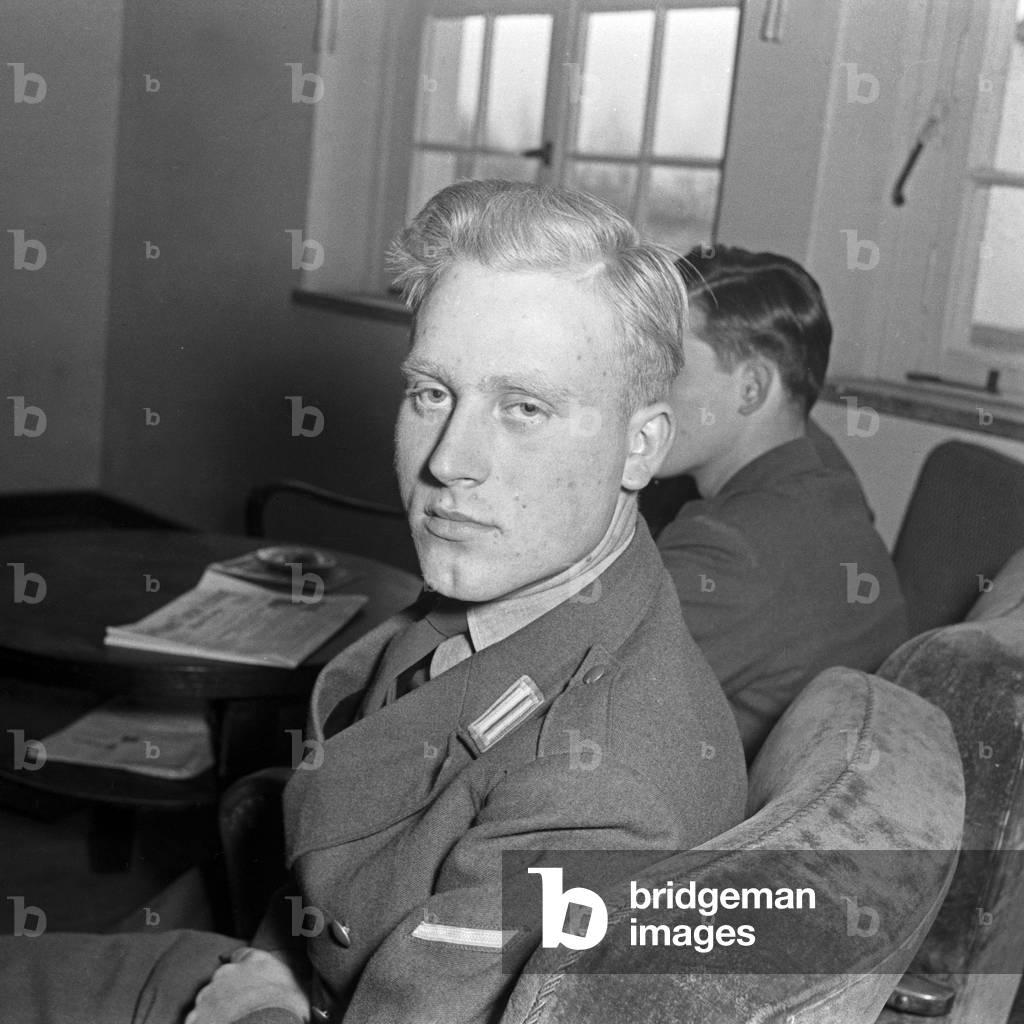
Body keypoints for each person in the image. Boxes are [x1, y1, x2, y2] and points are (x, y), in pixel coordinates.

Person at [0, 182, 746, 1024]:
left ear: (640, 446)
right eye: (431, 392)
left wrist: (267, 999)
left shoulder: (603, 795)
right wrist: (277, 956)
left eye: (524, 408)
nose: (449, 461)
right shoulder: (519, 593)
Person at [653, 245, 908, 758]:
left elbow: (556, 686)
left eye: (667, 368)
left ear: (750, 388)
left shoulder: (729, 552)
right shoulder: (826, 476)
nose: (636, 392)